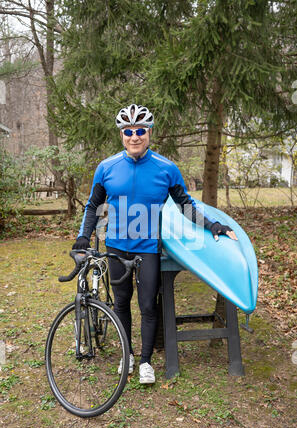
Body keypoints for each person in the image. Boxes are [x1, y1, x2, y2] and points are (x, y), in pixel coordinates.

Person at [72, 104, 237, 384]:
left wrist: (214, 226)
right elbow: (92, 206)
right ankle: (128, 355)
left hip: (147, 248)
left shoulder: (166, 168)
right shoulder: (106, 168)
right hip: (116, 246)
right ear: (122, 135)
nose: (134, 137)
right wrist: (82, 238)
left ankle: (146, 362)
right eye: (128, 131)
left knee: (148, 305)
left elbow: (186, 205)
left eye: (140, 130)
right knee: (122, 303)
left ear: (149, 133)